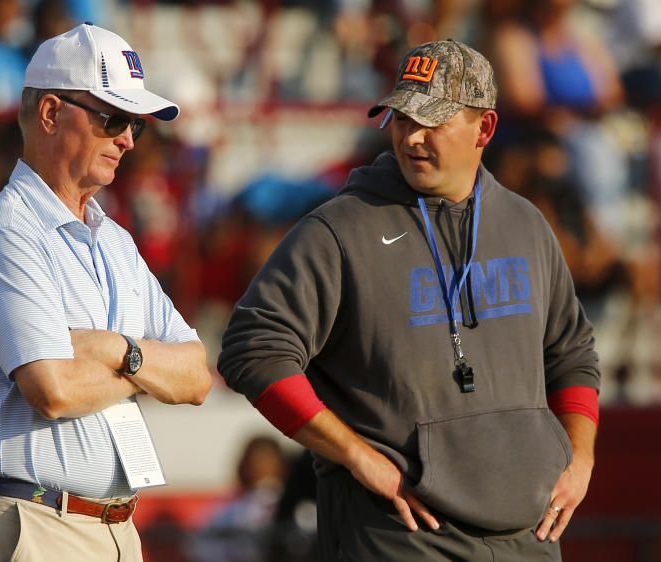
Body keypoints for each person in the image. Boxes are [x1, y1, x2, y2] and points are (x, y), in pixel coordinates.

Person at [217, 39, 601, 561]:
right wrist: (355, 455)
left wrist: (580, 457)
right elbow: (252, 349)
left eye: (432, 120)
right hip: (396, 537)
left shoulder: (526, 224)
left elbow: (571, 353)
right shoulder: (339, 228)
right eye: (400, 119)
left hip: (528, 538)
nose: (412, 137)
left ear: (483, 129)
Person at [0, 23, 212, 562]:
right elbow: (54, 390)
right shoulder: (4, 232)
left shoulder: (113, 238)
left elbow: (196, 376)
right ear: (50, 113)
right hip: (39, 522)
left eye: (134, 123)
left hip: (107, 525)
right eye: (112, 117)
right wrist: (145, 369)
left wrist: (116, 350)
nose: (129, 139)